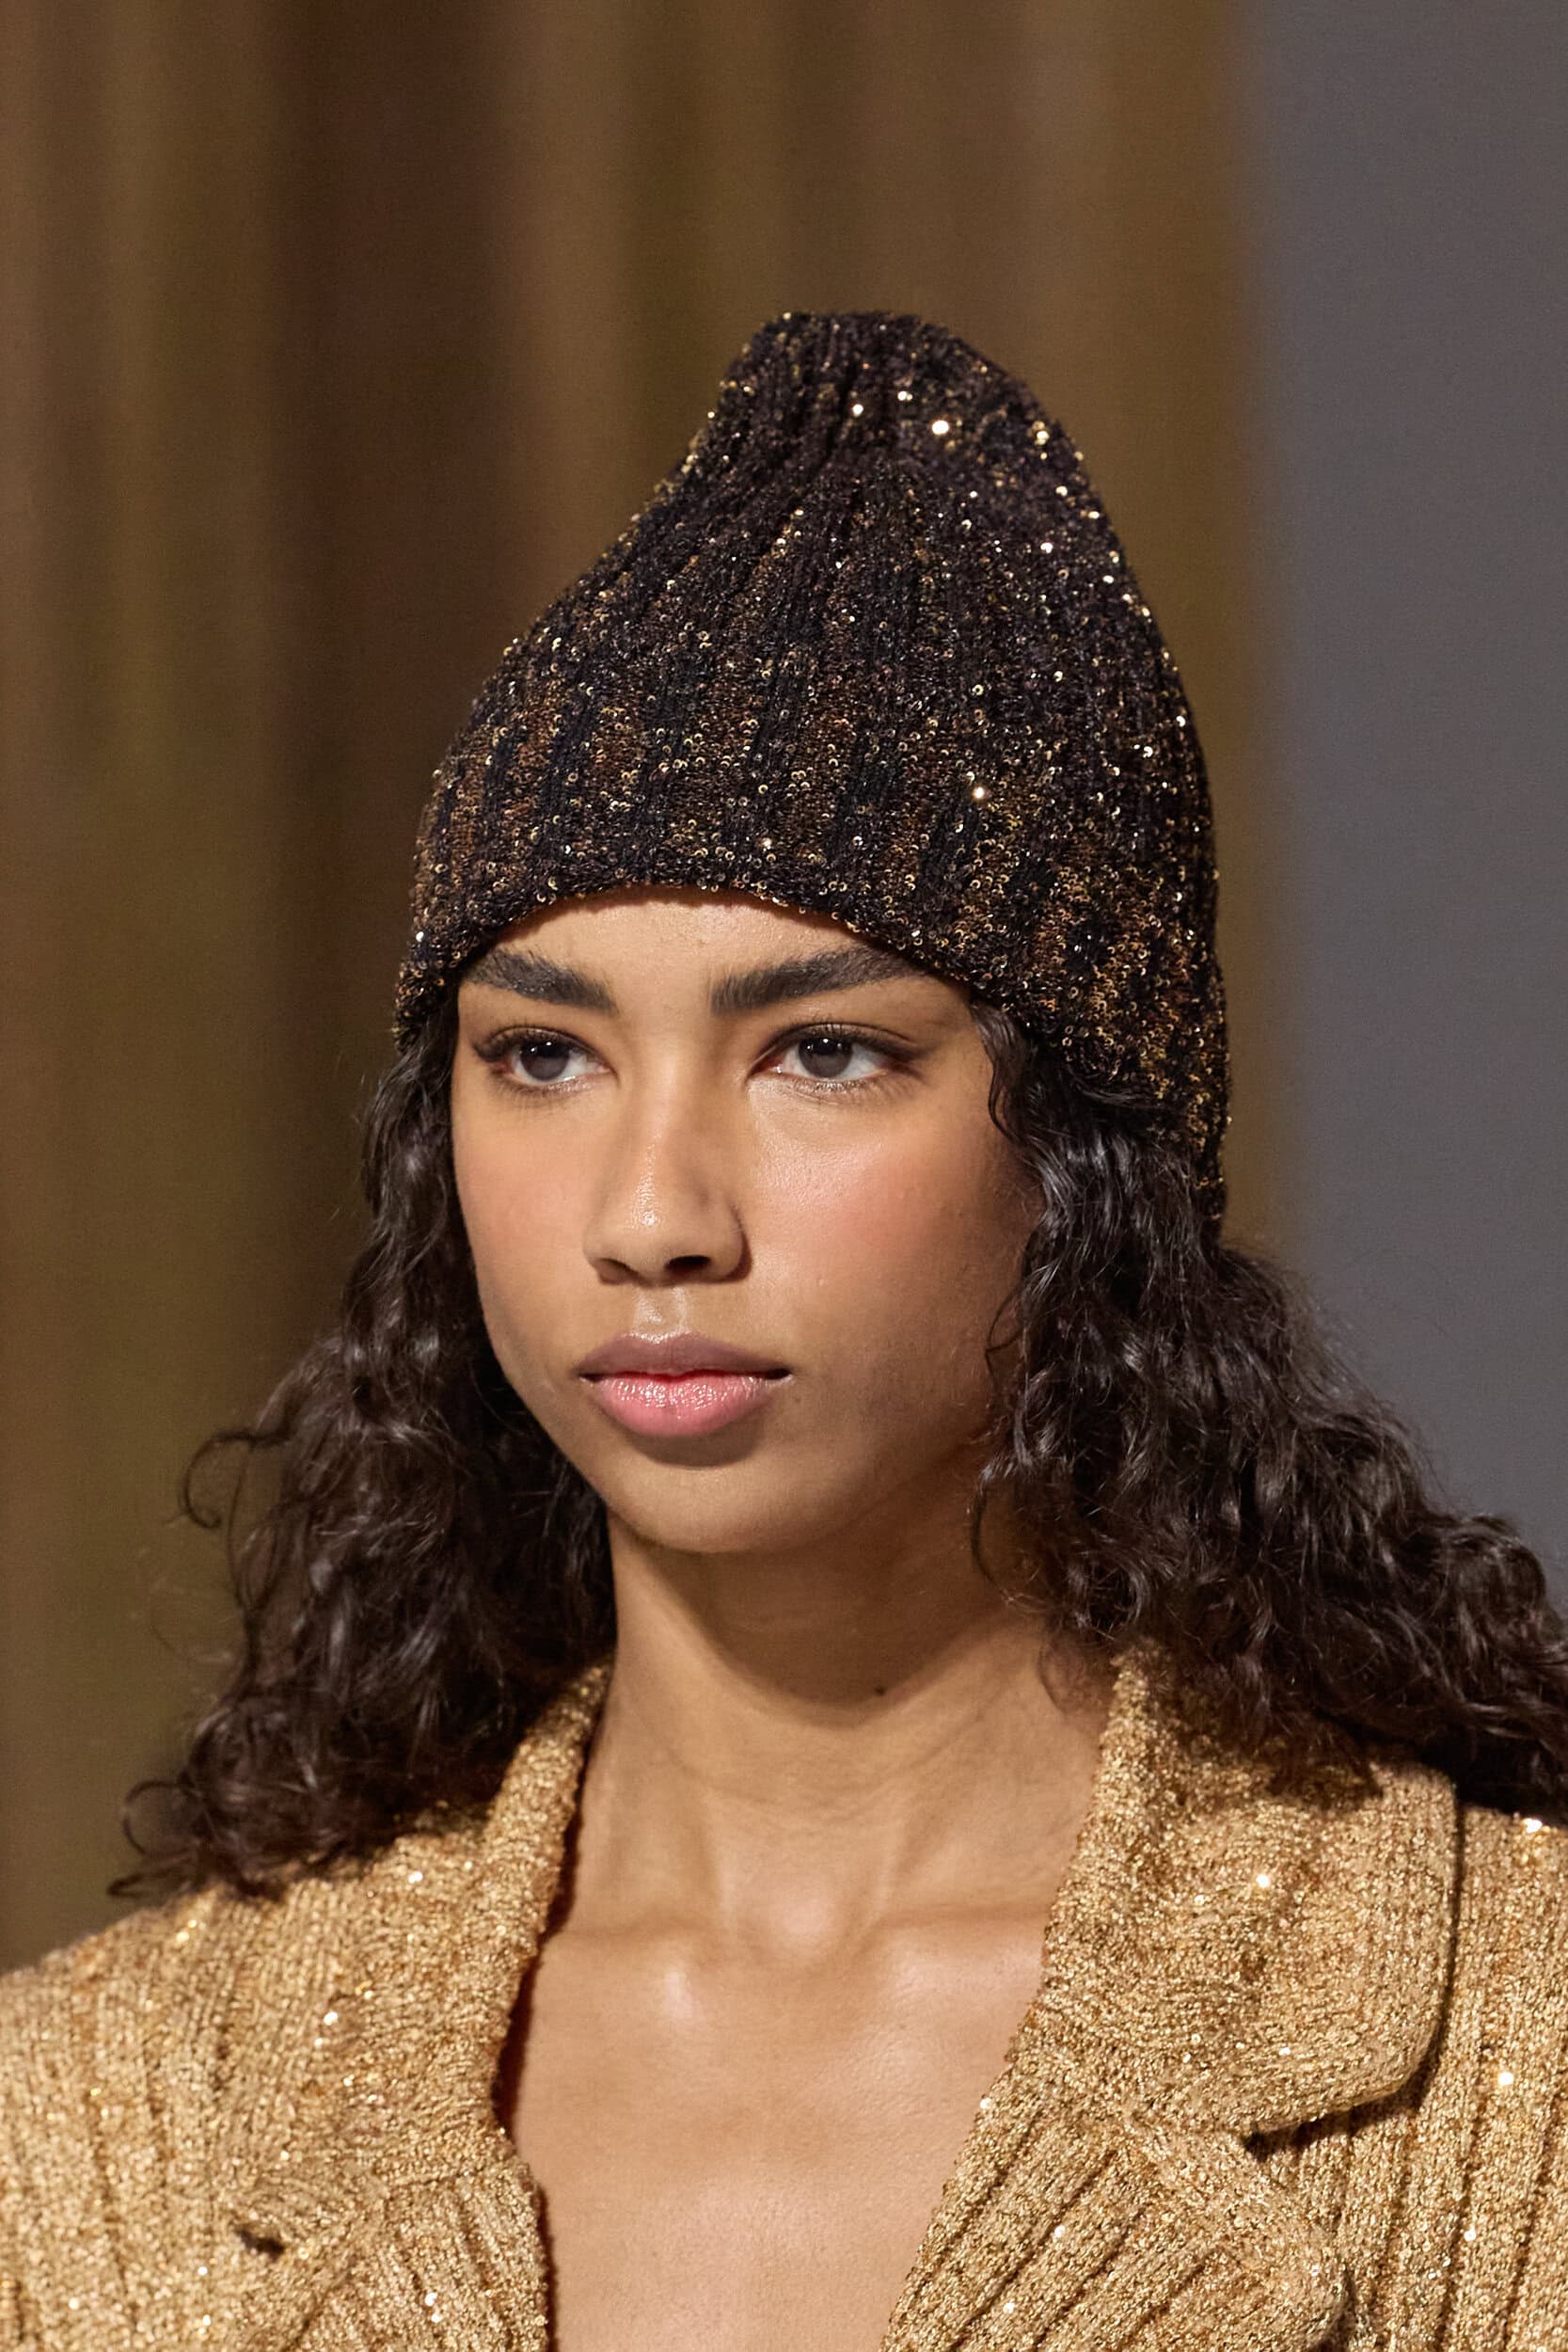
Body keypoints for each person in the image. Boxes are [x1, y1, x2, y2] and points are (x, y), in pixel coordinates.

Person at [2, 310, 1566, 2352]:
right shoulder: (91, 2132)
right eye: (544, 1054)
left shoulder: (1513, 2057)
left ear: (1093, 1153)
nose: (653, 1214)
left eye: (822, 1051)